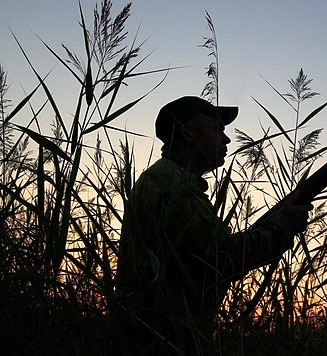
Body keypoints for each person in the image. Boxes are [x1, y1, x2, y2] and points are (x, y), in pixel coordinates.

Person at [115, 96, 312, 354]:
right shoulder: (172, 184)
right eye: (217, 130)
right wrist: (282, 226)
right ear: (186, 134)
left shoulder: (165, 177)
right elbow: (220, 257)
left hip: (153, 335)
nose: (226, 139)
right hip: (162, 339)